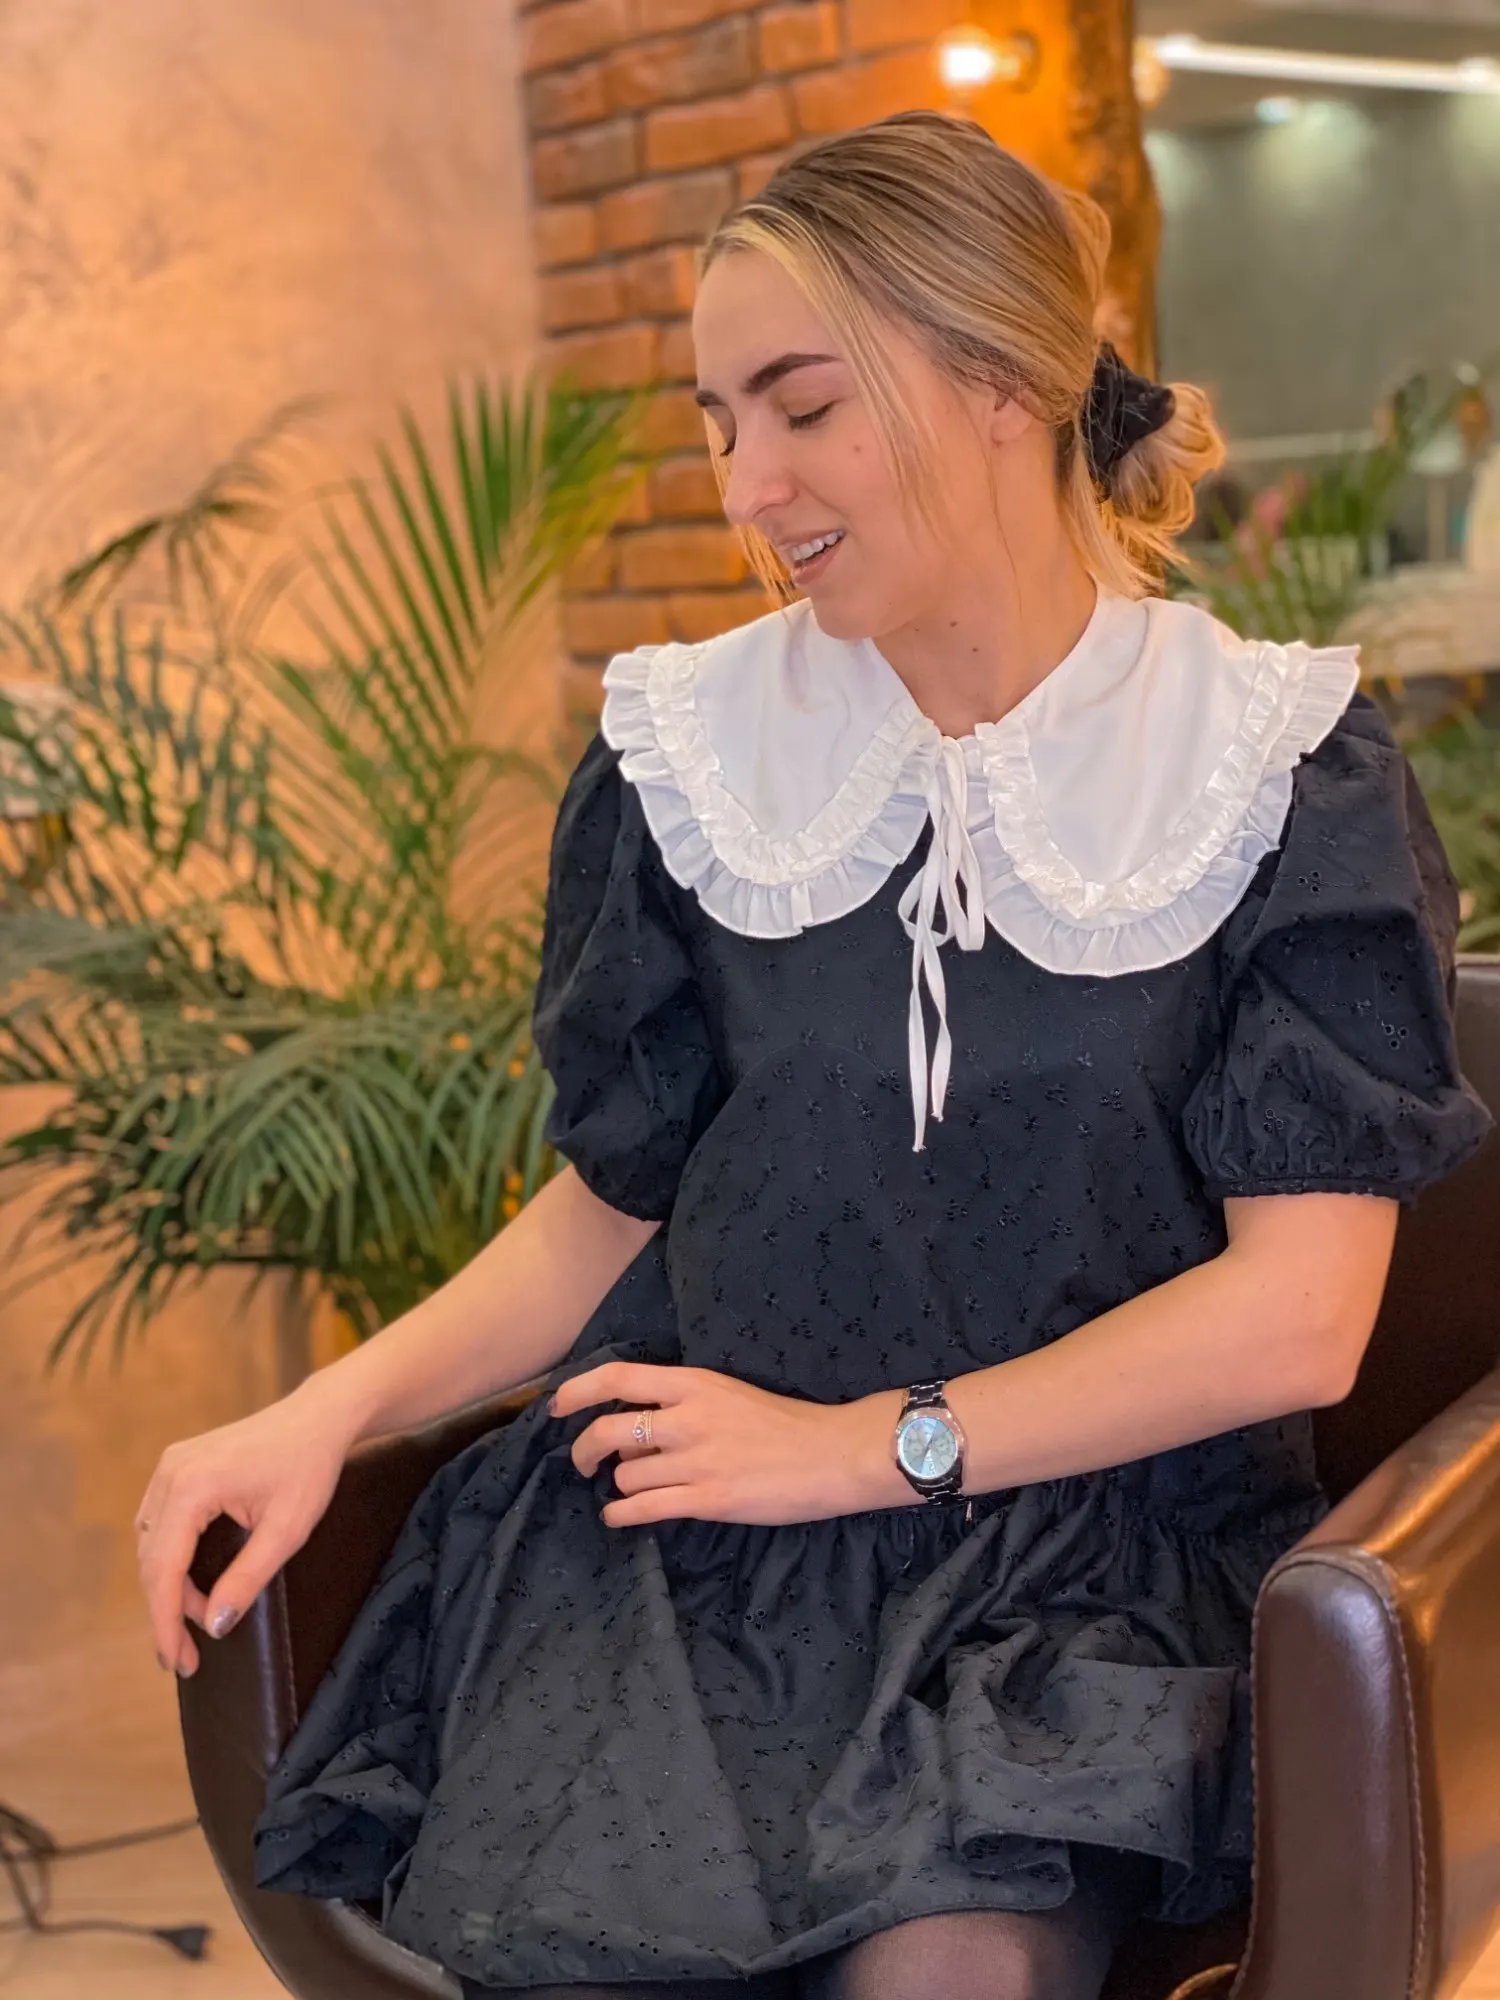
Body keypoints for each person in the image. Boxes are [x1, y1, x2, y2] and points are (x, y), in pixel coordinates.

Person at [133, 112, 1493, 2000]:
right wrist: (322, 1410)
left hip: (1078, 1570)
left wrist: (865, 1450)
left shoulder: (1273, 772)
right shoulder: (689, 759)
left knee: (949, 1967)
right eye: (718, 423)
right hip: (703, 1556)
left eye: (803, 405)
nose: (749, 485)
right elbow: (615, 1208)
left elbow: (1297, 1322)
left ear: (1005, 380)